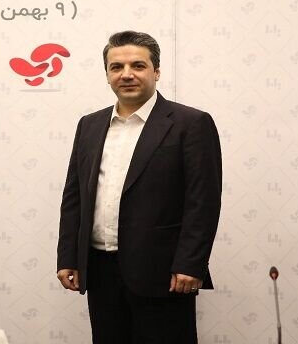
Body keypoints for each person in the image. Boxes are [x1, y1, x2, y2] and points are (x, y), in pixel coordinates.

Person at [56, 31, 222, 343]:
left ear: (156, 71)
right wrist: (68, 257)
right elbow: (74, 196)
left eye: (138, 65)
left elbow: (203, 202)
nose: (127, 74)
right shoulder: (89, 125)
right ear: (107, 74)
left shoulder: (191, 124)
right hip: (100, 270)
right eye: (116, 67)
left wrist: (191, 264)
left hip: (164, 272)